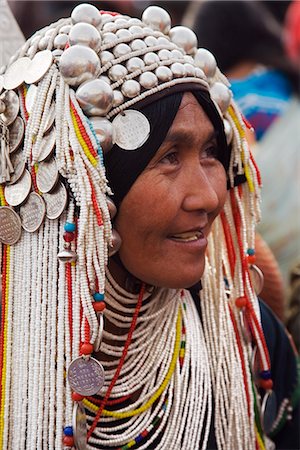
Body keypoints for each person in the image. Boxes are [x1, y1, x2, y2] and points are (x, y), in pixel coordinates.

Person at [0, 3, 299, 450]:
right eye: (169, 157)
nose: (209, 197)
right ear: (84, 184)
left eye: (211, 152)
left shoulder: (246, 341)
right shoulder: (12, 355)